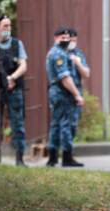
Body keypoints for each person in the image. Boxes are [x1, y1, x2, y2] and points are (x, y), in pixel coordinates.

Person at [45, 27, 85, 167]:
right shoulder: (59, 54)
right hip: (63, 93)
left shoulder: (60, 52)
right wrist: (77, 94)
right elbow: (65, 78)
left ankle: (53, 157)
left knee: (56, 124)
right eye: (63, 38)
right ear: (55, 38)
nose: (66, 40)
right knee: (65, 124)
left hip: (58, 92)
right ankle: (67, 157)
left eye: (67, 38)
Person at [0, 14, 28, 166]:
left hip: (14, 89)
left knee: (18, 124)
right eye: (5, 26)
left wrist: (12, 78)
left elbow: (23, 65)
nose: (8, 29)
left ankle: (20, 159)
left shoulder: (17, 44)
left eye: (9, 25)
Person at [67, 28, 90, 139]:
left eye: (75, 41)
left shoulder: (78, 53)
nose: (73, 43)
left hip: (77, 90)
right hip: (64, 92)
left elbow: (86, 73)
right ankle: (65, 149)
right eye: (71, 40)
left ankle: (68, 148)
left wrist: (78, 63)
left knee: (74, 122)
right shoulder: (60, 52)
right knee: (65, 122)